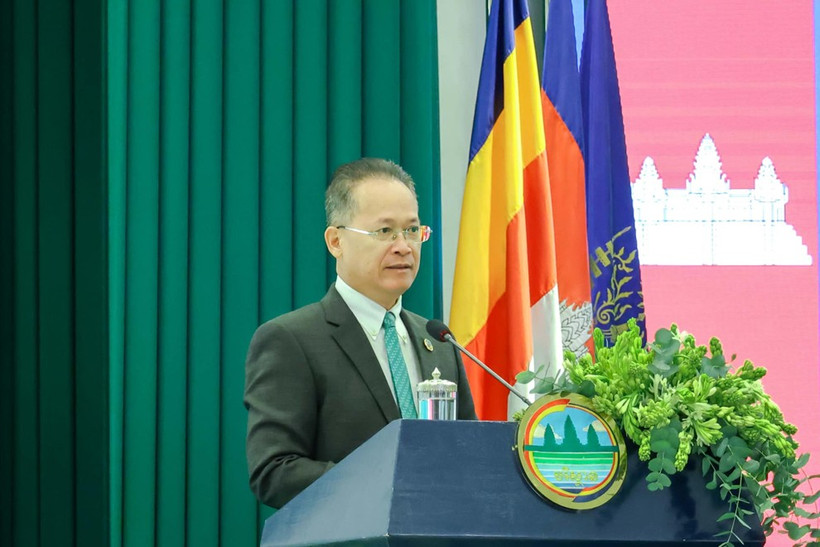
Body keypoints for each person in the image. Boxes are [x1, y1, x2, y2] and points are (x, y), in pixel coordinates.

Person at [244, 158, 477, 509]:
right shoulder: (291, 340)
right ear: (336, 241)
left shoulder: (439, 342)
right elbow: (274, 472)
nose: (403, 246)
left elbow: (465, 453)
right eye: (384, 232)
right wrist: (390, 482)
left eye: (413, 230)